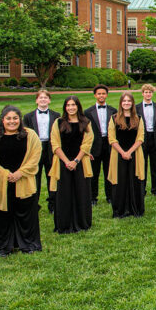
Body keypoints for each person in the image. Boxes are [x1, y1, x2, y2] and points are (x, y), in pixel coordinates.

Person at [0, 105, 43, 256]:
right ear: (2, 120)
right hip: (0, 182)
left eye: (15, 118)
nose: (12, 121)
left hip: (23, 180)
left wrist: (20, 173)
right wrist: (5, 174)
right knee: (1, 215)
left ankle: (28, 244)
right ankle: (2, 246)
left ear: (20, 120)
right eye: (8, 118)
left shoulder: (30, 135)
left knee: (26, 215)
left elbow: (35, 156)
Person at [50, 96, 94, 233]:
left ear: (78, 106)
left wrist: (75, 161)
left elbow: (87, 144)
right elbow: (55, 144)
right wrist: (67, 161)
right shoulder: (58, 123)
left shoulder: (86, 122)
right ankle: (64, 223)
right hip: (63, 163)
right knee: (64, 193)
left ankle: (82, 222)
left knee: (81, 192)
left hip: (80, 163)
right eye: (68, 105)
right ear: (65, 107)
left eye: (73, 105)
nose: (71, 108)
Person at [108, 92, 146, 218]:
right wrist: (123, 152)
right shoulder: (114, 118)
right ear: (121, 103)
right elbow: (111, 138)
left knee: (135, 180)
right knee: (120, 181)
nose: (126, 103)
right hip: (118, 154)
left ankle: (135, 208)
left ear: (132, 103)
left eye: (129, 101)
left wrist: (129, 152)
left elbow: (140, 138)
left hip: (135, 154)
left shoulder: (138, 118)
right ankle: (120, 210)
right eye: (124, 101)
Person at [23, 90, 60, 213]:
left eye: (45, 98)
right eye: (40, 98)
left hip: (51, 148)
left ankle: (53, 204)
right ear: (36, 100)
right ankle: (34, 204)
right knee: (35, 179)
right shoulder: (28, 117)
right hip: (36, 149)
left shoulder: (56, 115)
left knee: (52, 177)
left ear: (49, 100)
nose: (43, 100)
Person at [84, 85, 116, 205]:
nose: (101, 96)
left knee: (109, 171)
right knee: (94, 173)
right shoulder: (88, 112)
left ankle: (110, 196)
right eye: (99, 94)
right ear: (95, 95)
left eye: (103, 93)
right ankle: (93, 197)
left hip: (108, 144)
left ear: (106, 95)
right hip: (94, 145)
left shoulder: (113, 111)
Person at [136, 84, 156, 196]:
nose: (148, 94)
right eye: (146, 92)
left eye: (150, 92)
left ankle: (155, 189)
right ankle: (141, 189)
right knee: (141, 166)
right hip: (142, 140)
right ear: (142, 93)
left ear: (152, 93)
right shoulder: (136, 108)